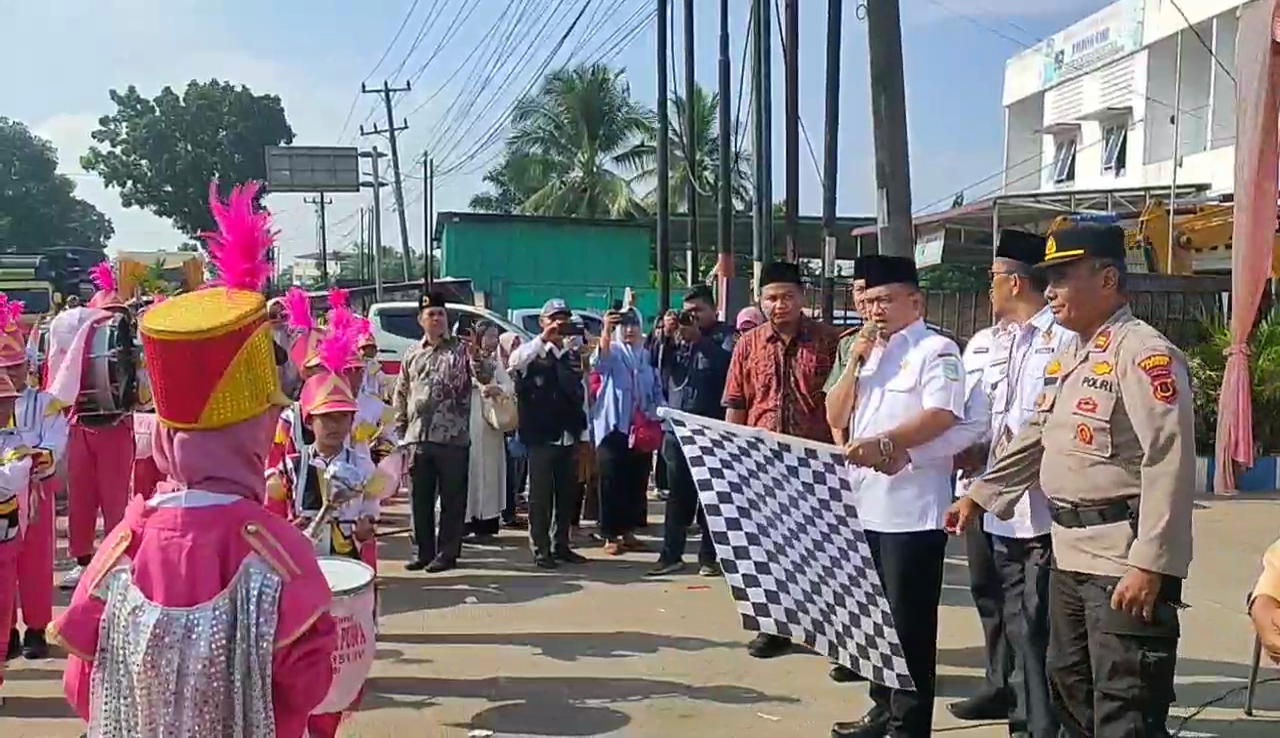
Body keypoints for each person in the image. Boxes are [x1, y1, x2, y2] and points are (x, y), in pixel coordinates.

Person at [48, 180, 336, 735]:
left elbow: (81, 687)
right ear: (254, 433)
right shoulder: (276, 550)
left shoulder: (125, 544)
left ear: (166, 436)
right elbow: (309, 686)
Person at [947, 222, 1196, 737]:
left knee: (1125, 704)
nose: (1050, 291)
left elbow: (1168, 461)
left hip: (1119, 561)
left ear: (1107, 279)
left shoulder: (1143, 353)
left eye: (1062, 278)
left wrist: (1150, 564)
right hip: (1068, 556)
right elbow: (1036, 435)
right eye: (1048, 279)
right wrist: (981, 496)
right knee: (1069, 687)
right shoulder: (1072, 354)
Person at [832, 255, 989, 738]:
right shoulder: (867, 352)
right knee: (876, 619)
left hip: (912, 511)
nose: (874, 309)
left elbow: (943, 415)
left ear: (915, 302)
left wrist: (887, 445)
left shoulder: (936, 350)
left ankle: (909, 723)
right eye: (868, 301)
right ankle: (881, 708)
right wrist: (854, 363)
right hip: (865, 503)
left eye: (885, 300)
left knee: (909, 625)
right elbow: (836, 415)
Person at [956, 230, 1073, 737]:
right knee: (1010, 614)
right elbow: (989, 416)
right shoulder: (996, 341)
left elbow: (1044, 428)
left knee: (1040, 625)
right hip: (996, 502)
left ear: (1016, 281)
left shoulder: (1063, 339)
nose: (989, 288)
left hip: (1043, 507)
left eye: (994, 278)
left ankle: (1041, 721)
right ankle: (1020, 714)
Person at [723, 261, 840, 659]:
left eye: (787, 296)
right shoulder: (748, 344)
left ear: (802, 297)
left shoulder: (829, 340)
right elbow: (736, 403)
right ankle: (773, 627)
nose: (779, 305)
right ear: (760, 300)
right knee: (768, 549)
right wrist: (733, 454)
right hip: (763, 463)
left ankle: (828, 631)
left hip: (817, 463)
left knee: (820, 551)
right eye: (771, 298)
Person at [393, 291, 494, 573]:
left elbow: (485, 376)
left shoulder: (461, 350)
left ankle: (447, 553)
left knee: (452, 500)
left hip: (452, 439)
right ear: (421, 320)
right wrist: (401, 430)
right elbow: (401, 391)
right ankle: (423, 551)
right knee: (420, 500)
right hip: (418, 438)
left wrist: (476, 356)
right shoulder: (412, 353)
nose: (436, 318)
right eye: (431, 314)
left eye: (441, 314)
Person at [648, 286, 734, 577]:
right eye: (687, 312)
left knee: (711, 497)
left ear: (713, 310)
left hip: (711, 430)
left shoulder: (727, 337)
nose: (692, 317)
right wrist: (664, 335)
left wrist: (700, 341)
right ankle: (670, 555)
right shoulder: (676, 339)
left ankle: (709, 558)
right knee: (677, 497)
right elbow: (653, 361)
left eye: (698, 311)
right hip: (677, 431)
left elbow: (728, 369)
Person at [60, 262, 136, 590]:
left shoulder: (132, 345)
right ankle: (82, 561)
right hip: (81, 425)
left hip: (116, 426)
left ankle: (117, 559)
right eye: (106, 313)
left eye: (117, 314)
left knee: (115, 498)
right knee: (80, 497)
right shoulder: (76, 343)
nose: (111, 321)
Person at [0, 300, 69, 661]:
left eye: (16, 366)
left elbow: (56, 440)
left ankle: (36, 629)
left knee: (36, 565)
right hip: (4, 496)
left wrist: (31, 459)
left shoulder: (45, 402)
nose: (11, 374)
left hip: (36, 492)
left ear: (27, 365)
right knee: (3, 567)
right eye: (5, 368)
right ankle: (7, 630)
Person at [507, 298, 590, 570]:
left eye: (563, 318)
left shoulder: (572, 355)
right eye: (553, 318)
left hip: (568, 434)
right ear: (542, 322)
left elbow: (582, 397)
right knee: (540, 497)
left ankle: (561, 545)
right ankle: (541, 549)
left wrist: (584, 436)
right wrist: (544, 338)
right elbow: (514, 363)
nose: (559, 323)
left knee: (566, 495)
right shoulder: (531, 351)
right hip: (541, 436)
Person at [591, 307, 663, 556]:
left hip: (641, 429)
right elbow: (598, 364)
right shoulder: (614, 351)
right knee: (611, 481)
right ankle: (610, 535)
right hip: (614, 427)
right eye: (625, 325)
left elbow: (656, 387)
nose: (630, 330)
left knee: (636, 481)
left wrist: (658, 412)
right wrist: (606, 330)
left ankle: (629, 532)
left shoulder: (647, 355)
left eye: (634, 324)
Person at [464, 321, 514, 540]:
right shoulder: (462, 359)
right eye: (489, 336)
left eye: (496, 337)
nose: (494, 341)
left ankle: (487, 522)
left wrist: (497, 389)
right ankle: (466, 521)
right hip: (468, 422)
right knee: (469, 472)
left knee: (490, 474)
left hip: (490, 425)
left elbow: (509, 386)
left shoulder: (495, 363)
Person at [498, 332, 527, 528]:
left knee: (518, 468)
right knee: (509, 470)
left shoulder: (520, 368)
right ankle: (507, 511)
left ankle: (513, 505)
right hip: (504, 427)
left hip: (519, 424)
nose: (516, 348)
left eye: (518, 344)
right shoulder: (499, 368)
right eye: (512, 345)